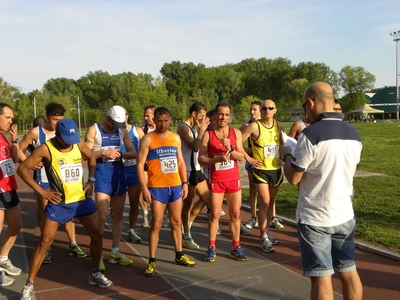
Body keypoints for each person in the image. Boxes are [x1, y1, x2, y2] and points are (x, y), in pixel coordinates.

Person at [280, 82, 363, 300]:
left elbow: (293, 177)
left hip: (315, 216)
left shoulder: (310, 134)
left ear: (311, 102)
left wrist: (287, 154)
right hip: (344, 212)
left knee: (321, 276)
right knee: (348, 270)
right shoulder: (355, 134)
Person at [18, 119, 113, 300]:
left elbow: (92, 156)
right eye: (67, 138)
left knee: (97, 233)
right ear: (58, 135)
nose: (71, 142)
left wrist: (91, 180)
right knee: (44, 242)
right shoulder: (45, 149)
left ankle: (94, 272)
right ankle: (29, 285)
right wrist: (42, 191)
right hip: (59, 203)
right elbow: (22, 169)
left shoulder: (77, 142)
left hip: (81, 200)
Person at [17, 103, 86, 264]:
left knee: (69, 213)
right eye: (54, 119)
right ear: (47, 117)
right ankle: (47, 246)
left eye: (59, 119)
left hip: (64, 181)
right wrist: (29, 162)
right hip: (43, 179)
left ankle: (73, 243)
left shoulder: (67, 132)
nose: (56, 123)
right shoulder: (37, 132)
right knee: (44, 211)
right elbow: (19, 149)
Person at [137, 107, 196, 277]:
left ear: (170, 119)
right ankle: (152, 260)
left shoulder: (175, 138)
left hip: (175, 185)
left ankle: (179, 254)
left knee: (176, 221)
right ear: (154, 121)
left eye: (166, 120)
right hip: (157, 187)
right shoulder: (148, 139)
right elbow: (140, 165)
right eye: (159, 121)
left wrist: (185, 182)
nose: (162, 124)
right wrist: (144, 188)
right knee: (156, 223)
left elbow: (180, 162)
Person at [85, 105, 137, 270]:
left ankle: (115, 250)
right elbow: (84, 153)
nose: (117, 127)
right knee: (101, 216)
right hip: (101, 174)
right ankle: (98, 253)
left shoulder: (122, 131)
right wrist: (103, 153)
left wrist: (120, 154)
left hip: (118, 174)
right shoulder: (94, 130)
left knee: (118, 214)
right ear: (107, 117)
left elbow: (134, 152)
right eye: (114, 123)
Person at [198, 102, 248, 262]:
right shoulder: (208, 135)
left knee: (235, 214)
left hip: (233, 180)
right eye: (220, 114)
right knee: (215, 215)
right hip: (217, 181)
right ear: (215, 116)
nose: (223, 118)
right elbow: (201, 158)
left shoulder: (236, 133)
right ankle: (211, 247)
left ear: (229, 116)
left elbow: (241, 157)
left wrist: (231, 148)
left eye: (226, 115)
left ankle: (236, 246)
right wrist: (217, 158)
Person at [240, 99, 285, 253]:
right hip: (260, 170)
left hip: (275, 170)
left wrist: (283, 158)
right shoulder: (253, 126)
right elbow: (237, 141)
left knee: (270, 202)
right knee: (264, 201)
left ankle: (266, 230)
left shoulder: (280, 126)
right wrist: (249, 158)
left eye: (270, 108)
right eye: (264, 108)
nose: (267, 111)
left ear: (275, 110)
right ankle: (263, 236)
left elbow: (284, 146)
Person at [177, 102, 210, 250]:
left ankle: (188, 223)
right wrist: (202, 131)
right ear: (194, 114)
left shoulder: (194, 128)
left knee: (205, 198)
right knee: (187, 204)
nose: (204, 120)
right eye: (202, 117)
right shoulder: (184, 128)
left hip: (197, 169)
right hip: (188, 171)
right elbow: (195, 146)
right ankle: (186, 236)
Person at [0, 103, 23, 287]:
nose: (11, 121)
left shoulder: (3, 137)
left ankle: (3, 258)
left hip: (10, 187)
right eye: (7, 117)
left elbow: (14, 160)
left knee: (16, 225)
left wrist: (14, 141)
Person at [122, 108, 145, 243]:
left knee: (134, 202)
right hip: (118, 170)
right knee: (117, 205)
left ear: (127, 116)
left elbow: (145, 149)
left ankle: (131, 230)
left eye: (124, 115)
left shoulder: (138, 131)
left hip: (133, 171)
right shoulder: (115, 131)